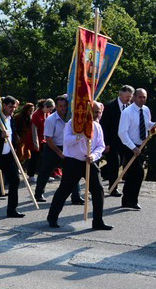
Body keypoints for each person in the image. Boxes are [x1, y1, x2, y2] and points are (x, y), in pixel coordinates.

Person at [46, 102, 113, 230]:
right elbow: (67, 141)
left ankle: (98, 221)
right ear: (88, 111)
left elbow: (101, 145)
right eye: (95, 112)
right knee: (64, 190)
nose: (97, 115)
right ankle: (52, 217)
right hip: (73, 161)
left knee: (98, 190)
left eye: (99, 112)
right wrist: (81, 134)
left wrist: (93, 156)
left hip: (89, 161)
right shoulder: (72, 123)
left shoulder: (97, 126)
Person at [35, 95, 81, 204]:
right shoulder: (51, 119)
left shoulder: (71, 118)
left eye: (65, 106)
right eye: (60, 106)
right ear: (56, 106)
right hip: (52, 147)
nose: (63, 108)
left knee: (73, 172)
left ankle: (76, 196)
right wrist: (59, 152)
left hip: (67, 147)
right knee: (45, 171)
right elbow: (48, 138)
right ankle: (38, 194)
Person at [117, 87, 155, 210]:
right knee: (138, 173)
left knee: (132, 175)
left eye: (144, 97)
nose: (142, 99)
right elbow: (122, 133)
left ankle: (126, 200)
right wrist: (133, 148)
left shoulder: (146, 110)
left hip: (141, 145)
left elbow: (147, 124)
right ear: (134, 97)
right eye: (140, 97)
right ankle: (132, 200)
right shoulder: (127, 112)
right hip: (129, 145)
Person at [100, 85, 134, 195]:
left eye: (130, 96)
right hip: (112, 141)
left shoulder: (130, 107)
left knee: (122, 162)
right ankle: (113, 188)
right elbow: (104, 126)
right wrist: (106, 143)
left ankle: (102, 172)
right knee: (115, 163)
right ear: (120, 94)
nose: (128, 99)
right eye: (127, 96)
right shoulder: (110, 107)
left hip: (125, 141)